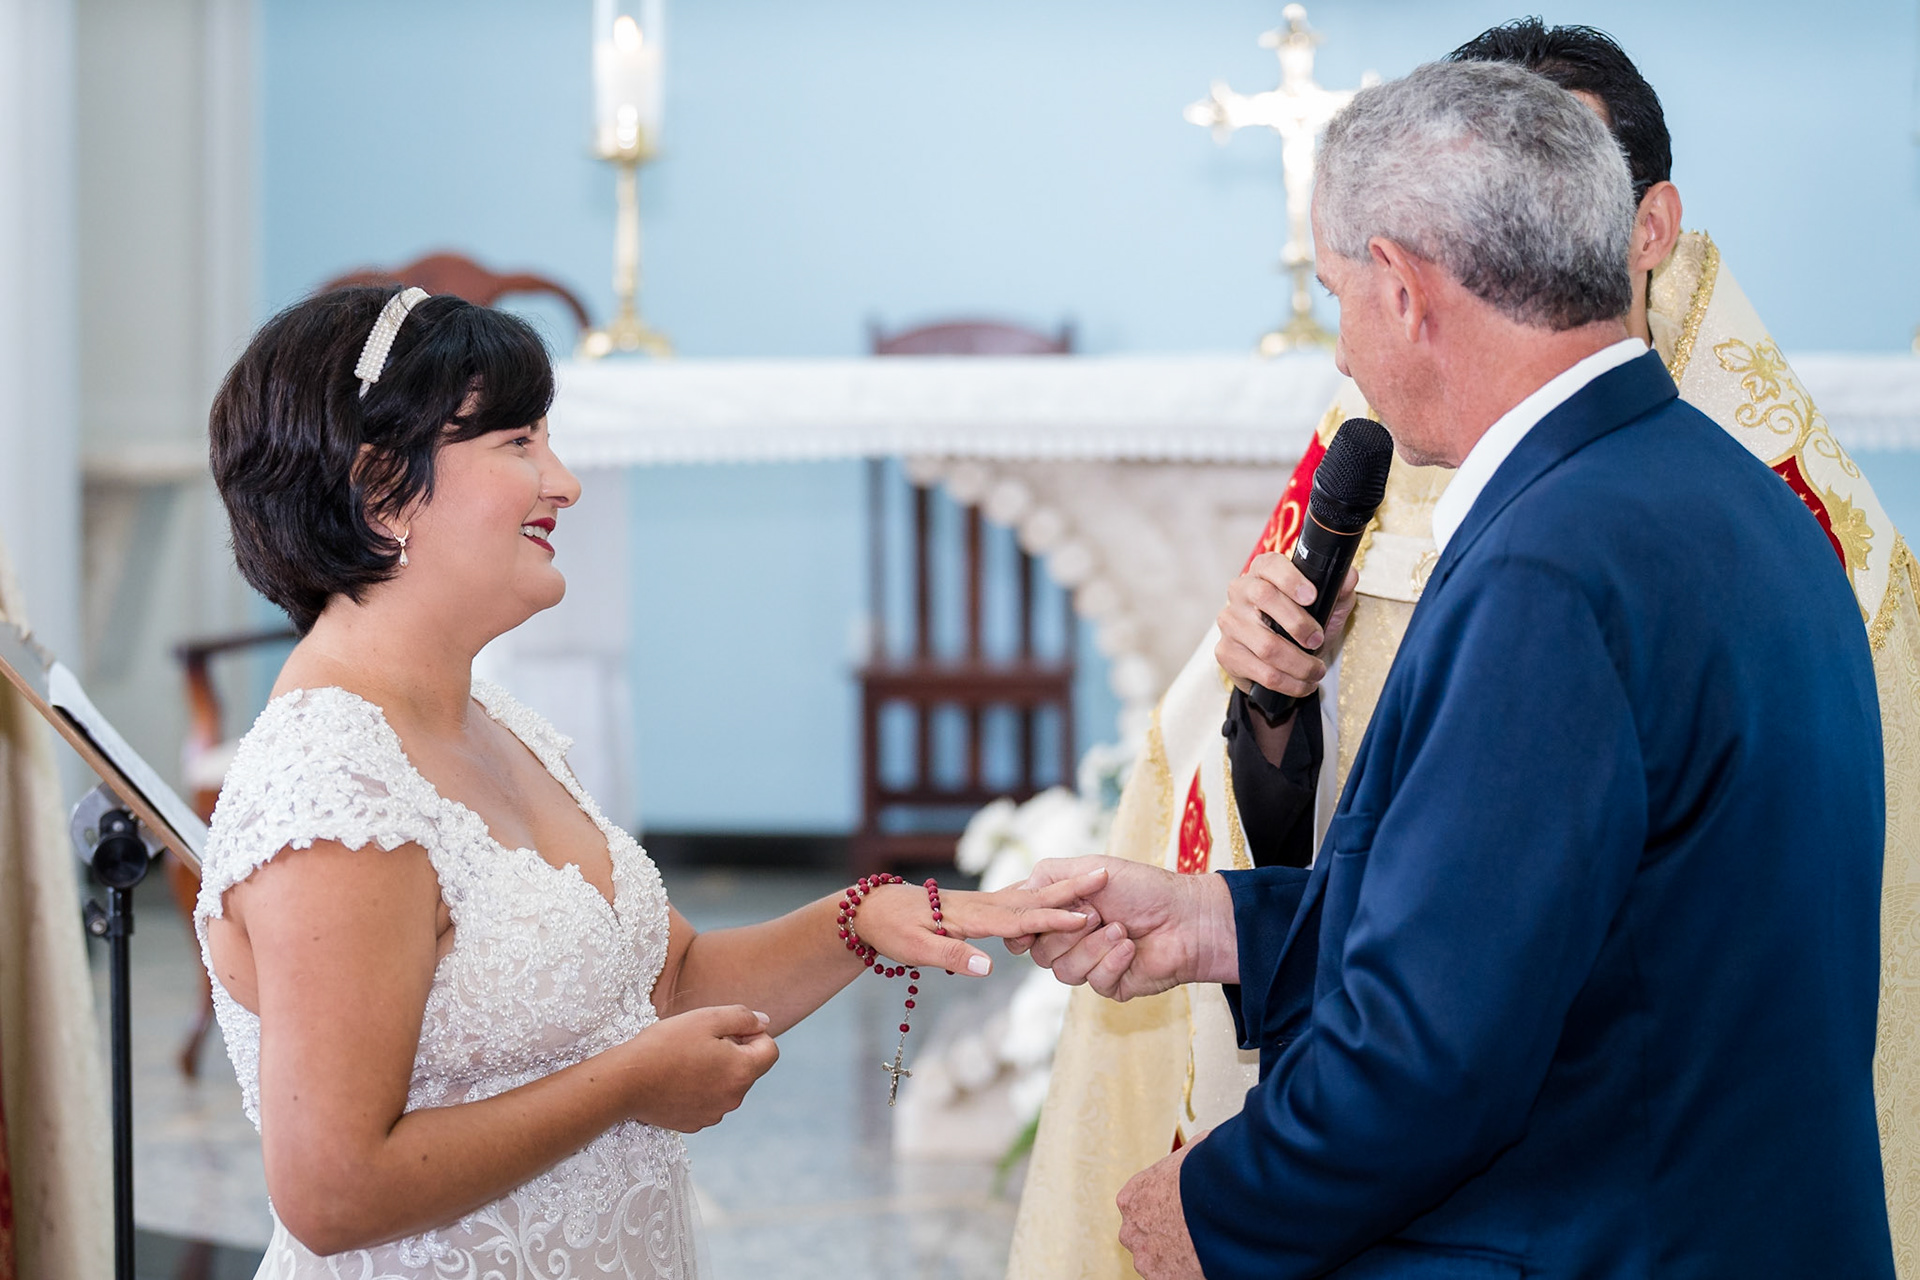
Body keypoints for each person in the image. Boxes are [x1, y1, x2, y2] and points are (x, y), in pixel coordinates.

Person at [1007, 21, 1920, 1278]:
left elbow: (1436, 1052)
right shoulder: (1735, 492)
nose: (1340, 346)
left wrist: (1215, 1207)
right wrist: (1219, 921)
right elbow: (1562, 925)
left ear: (1402, 284)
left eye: (1338, 293)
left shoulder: (1551, 565)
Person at [194, 286, 1100, 1278]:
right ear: (380, 488)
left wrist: (865, 915)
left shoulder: (497, 725)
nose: (566, 482)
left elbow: (663, 983)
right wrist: (625, 1085)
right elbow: (333, 1189)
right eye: (519, 445)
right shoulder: (333, 787)